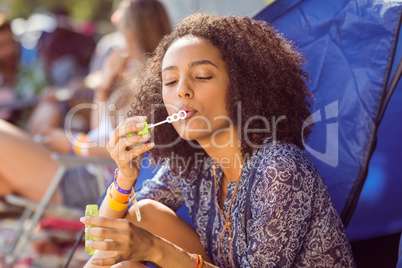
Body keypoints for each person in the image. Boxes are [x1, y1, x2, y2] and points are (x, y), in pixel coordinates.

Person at [81, 13, 356, 268]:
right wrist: (125, 178)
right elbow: (102, 240)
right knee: (142, 219)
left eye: (201, 76)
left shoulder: (281, 169)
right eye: (170, 81)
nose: (182, 91)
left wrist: (155, 249)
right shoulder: (195, 163)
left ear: (242, 86)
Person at [0, 0, 171, 209]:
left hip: (93, 181)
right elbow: (100, 129)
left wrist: (74, 144)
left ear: (130, 34)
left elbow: (136, 148)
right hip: (85, 170)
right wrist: (103, 88)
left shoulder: (152, 84)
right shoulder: (135, 77)